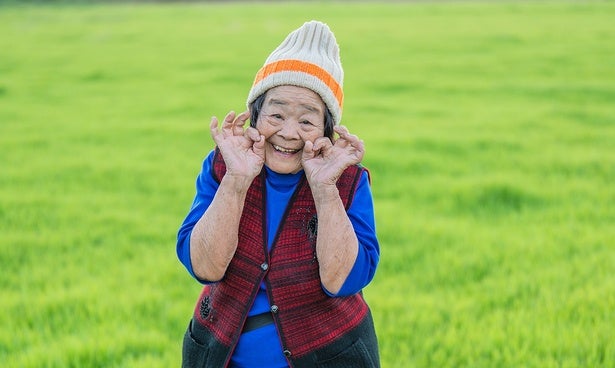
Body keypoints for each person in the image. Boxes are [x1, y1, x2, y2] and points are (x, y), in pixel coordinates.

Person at [176, 20, 380, 368]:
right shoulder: (224, 167)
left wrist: (325, 188)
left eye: (306, 121)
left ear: (327, 130)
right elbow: (204, 267)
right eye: (276, 114)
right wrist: (237, 181)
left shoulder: (347, 181)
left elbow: (343, 280)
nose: (288, 133)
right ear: (255, 116)